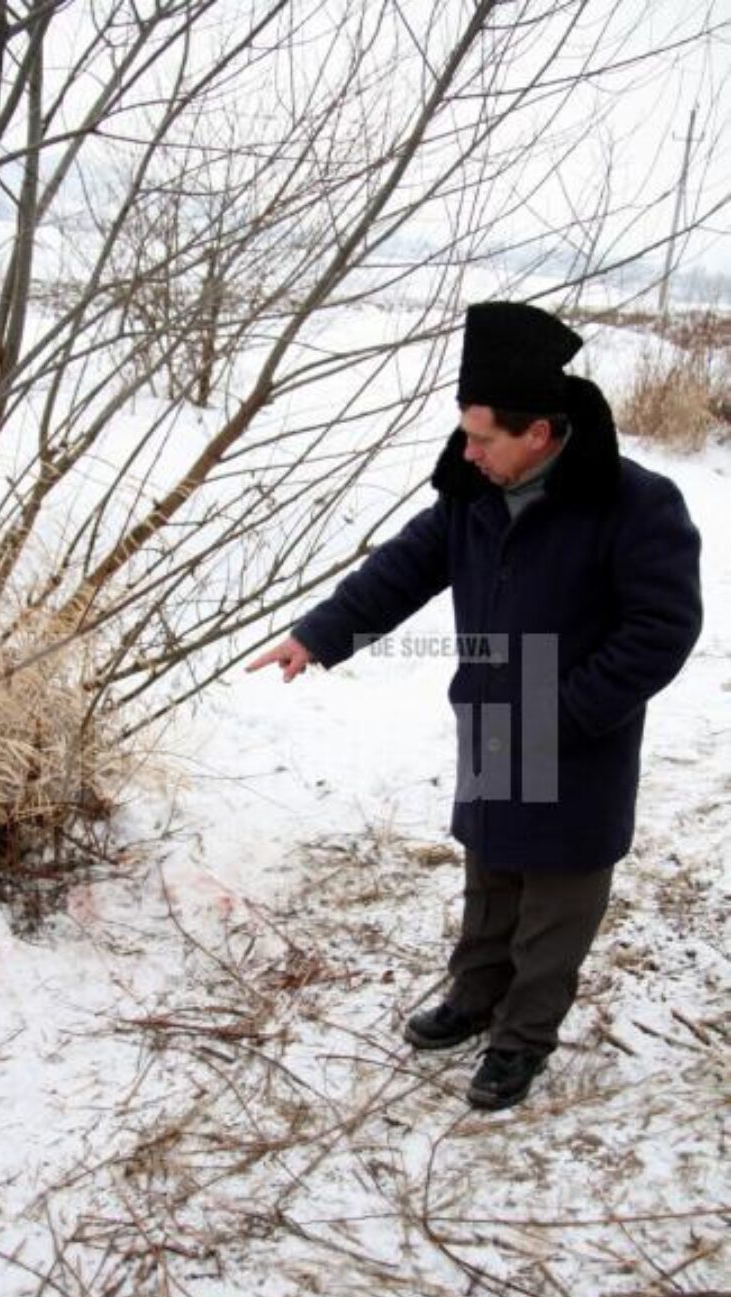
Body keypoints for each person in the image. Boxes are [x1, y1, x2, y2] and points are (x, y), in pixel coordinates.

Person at [248, 301, 702, 1111]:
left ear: (539, 433)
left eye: (483, 438)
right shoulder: (473, 495)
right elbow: (404, 567)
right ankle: (476, 995)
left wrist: (561, 714)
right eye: (466, 435)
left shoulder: (636, 504)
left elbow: (662, 629)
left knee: (557, 898)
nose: (468, 452)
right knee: (491, 871)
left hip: (577, 733)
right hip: (495, 712)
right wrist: (319, 634)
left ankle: (523, 1037)